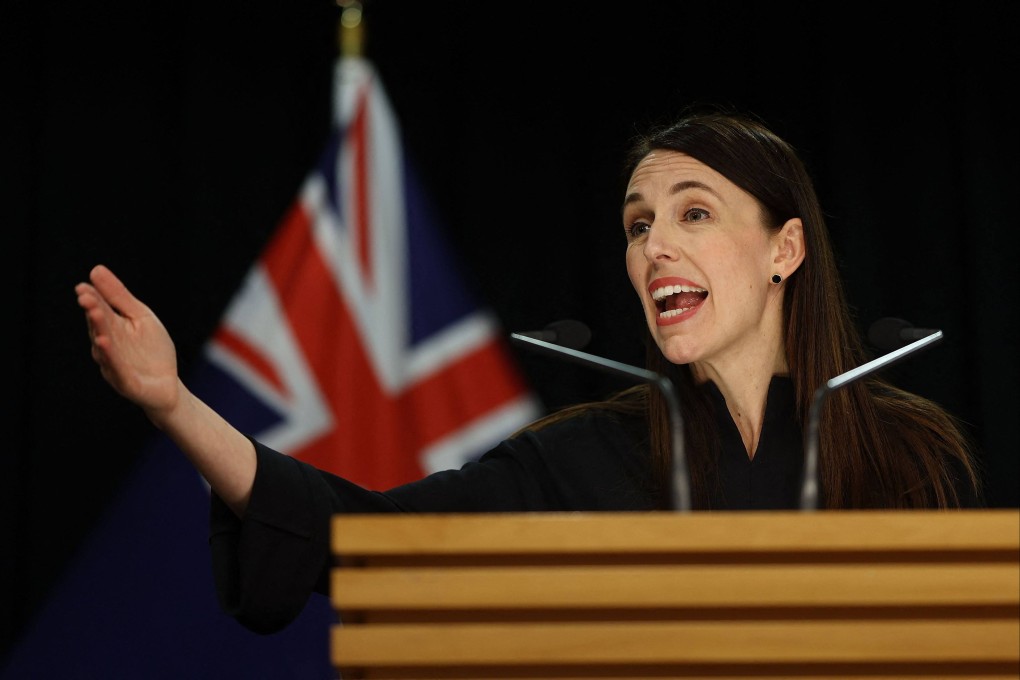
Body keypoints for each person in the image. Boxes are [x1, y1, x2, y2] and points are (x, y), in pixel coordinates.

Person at [75, 108, 982, 634]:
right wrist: (174, 404)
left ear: (785, 247)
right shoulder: (586, 458)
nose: (655, 246)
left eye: (693, 213)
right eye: (637, 225)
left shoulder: (902, 455)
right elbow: (363, 540)